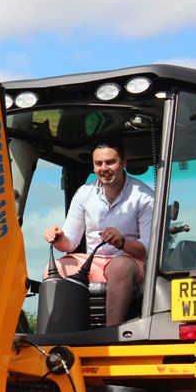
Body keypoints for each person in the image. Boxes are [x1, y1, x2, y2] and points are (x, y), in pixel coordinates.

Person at [43, 138, 154, 326]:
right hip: (95, 262)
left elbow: (148, 248)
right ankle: (62, 333)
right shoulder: (84, 193)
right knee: (52, 269)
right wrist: (58, 237)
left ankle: (112, 334)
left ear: (124, 162)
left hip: (131, 262)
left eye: (110, 162)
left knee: (120, 267)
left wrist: (122, 242)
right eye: (98, 163)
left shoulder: (143, 196)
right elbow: (70, 242)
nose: (104, 168)